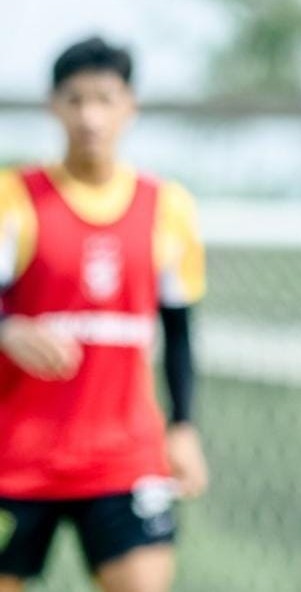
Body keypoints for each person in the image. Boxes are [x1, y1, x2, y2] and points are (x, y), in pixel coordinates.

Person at [0, 36, 209, 592]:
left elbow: (180, 328)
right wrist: (8, 328)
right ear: (53, 106)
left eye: (105, 99)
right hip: (14, 453)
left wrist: (183, 425)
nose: (90, 116)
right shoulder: (14, 198)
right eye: (75, 100)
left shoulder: (167, 206)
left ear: (129, 105)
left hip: (123, 457)